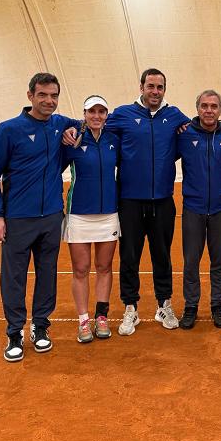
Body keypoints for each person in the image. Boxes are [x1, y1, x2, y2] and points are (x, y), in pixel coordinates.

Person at [0, 72, 80, 362]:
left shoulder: (60, 124)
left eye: (54, 96)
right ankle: (15, 332)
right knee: (14, 277)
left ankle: (41, 326)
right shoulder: (9, 129)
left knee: (47, 273)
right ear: (30, 96)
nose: (49, 101)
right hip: (17, 218)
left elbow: (90, 122)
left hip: (51, 216)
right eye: (42, 95)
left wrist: (75, 132)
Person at [105, 69, 190, 335]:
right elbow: (94, 126)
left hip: (163, 201)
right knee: (129, 256)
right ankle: (131, 307)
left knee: (162, 256)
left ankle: (164, 304)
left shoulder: (174, 115)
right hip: (129, 201)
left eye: (160, 87)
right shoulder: (121, 114)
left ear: (165, 89)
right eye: (151, 86)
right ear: (141, 87)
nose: (155, 91)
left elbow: (200, 125)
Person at [176, 90, 221, 329]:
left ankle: (217, 305)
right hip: (193, 208)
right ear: (197, 108)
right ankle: (191, 306)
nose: (209, 110)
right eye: (204, 106)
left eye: (214, 106)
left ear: (220, 110)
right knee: (191, 261)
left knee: (219, 261)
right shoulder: (183, 134)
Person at [61, 95, 121, 343]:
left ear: (107, 115)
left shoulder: (114, 140)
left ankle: (101, 316)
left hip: (108, 214)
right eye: (91, 111)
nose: (96, 116)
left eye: (101, 111)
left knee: (105, 267)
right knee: (81, 269)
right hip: (79, 216)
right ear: (84, 114)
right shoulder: (72, 141)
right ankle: (83, 320)